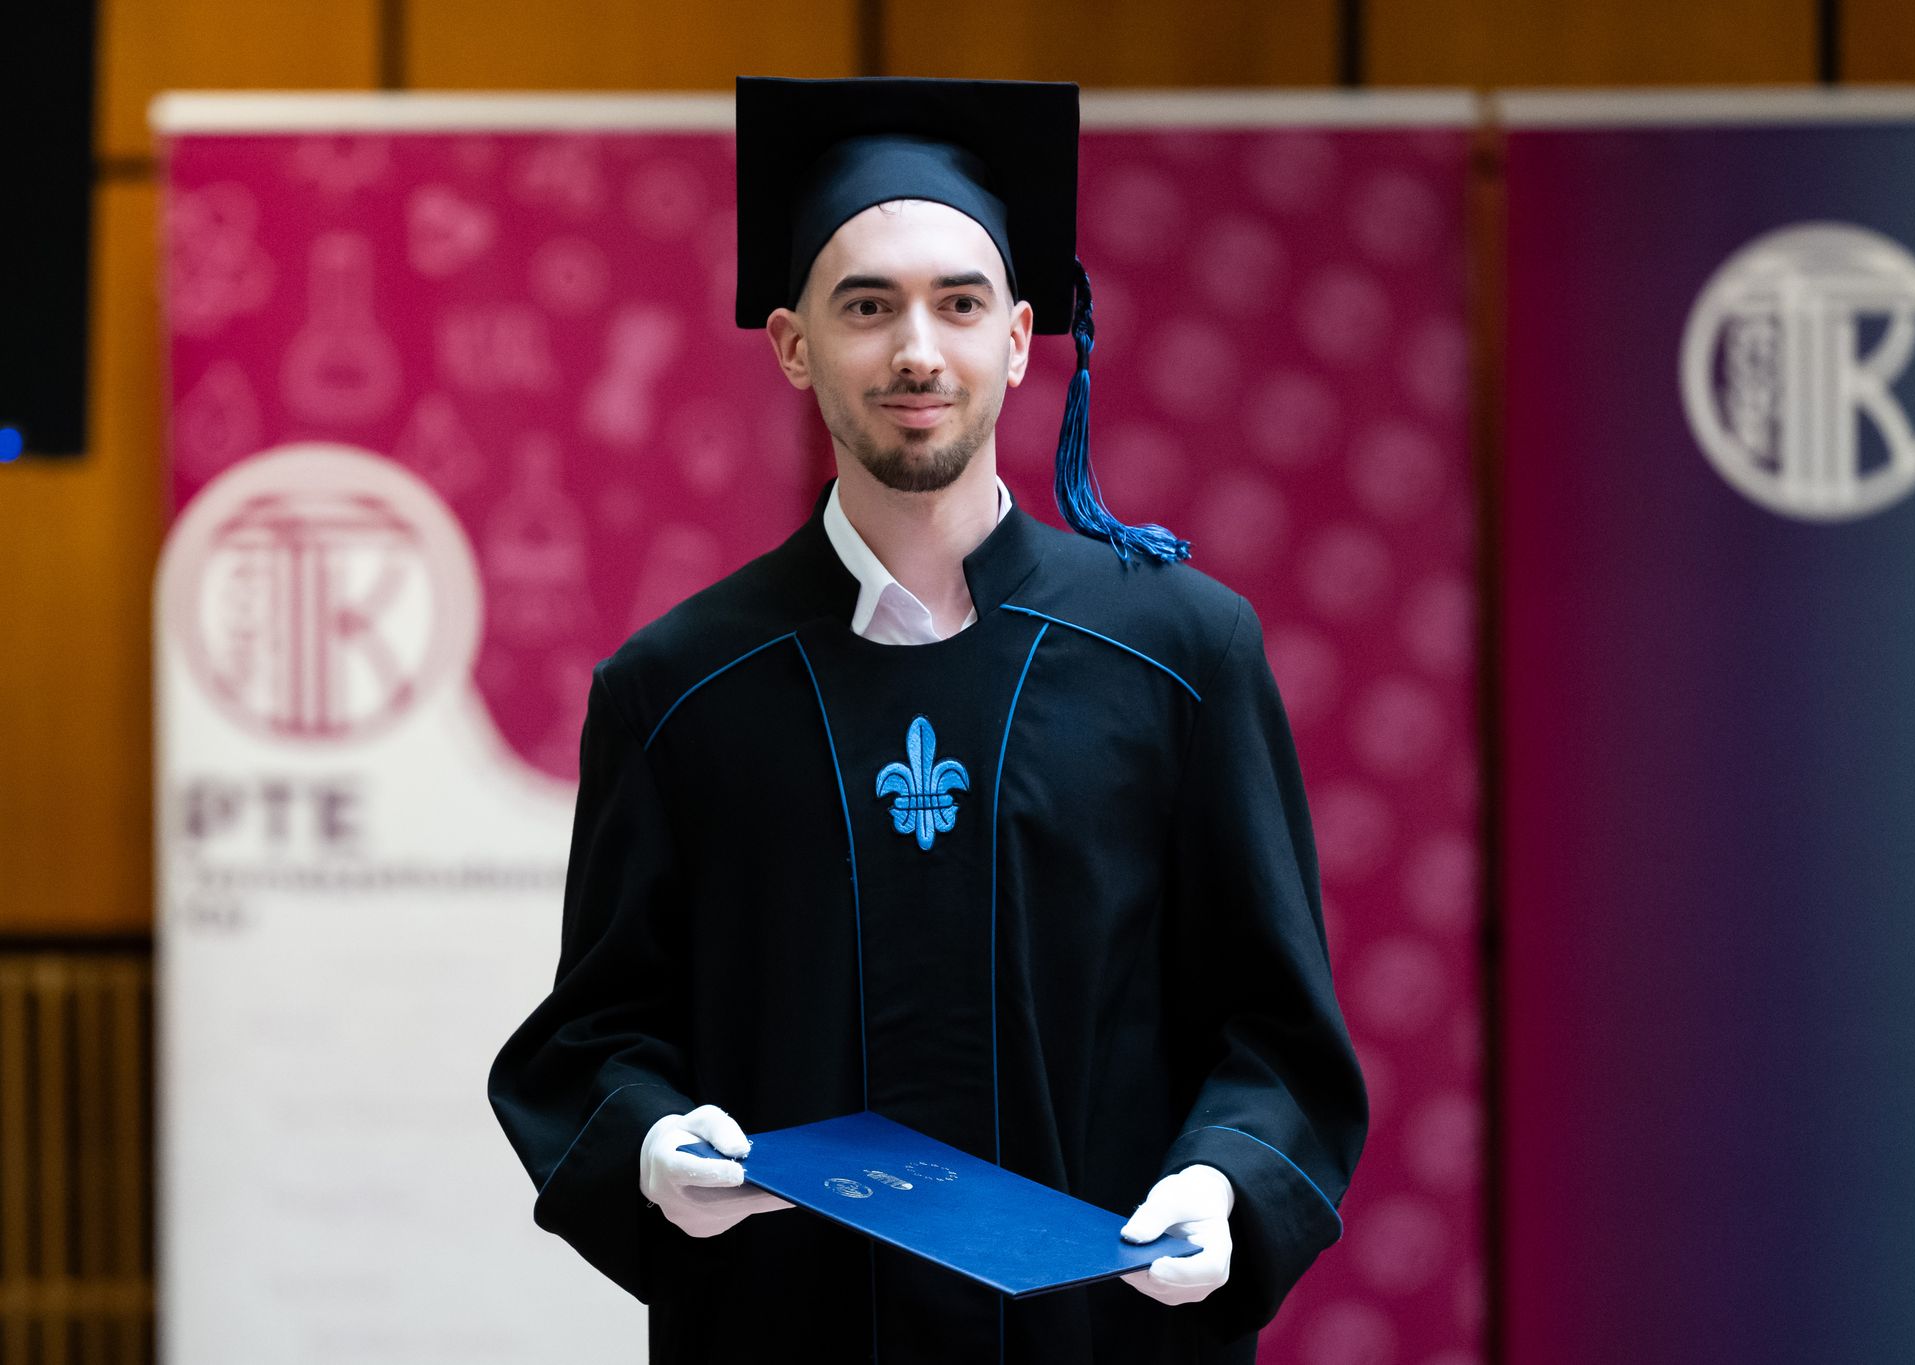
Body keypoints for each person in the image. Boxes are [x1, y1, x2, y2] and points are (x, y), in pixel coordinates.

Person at [488, 74, 1368, 1364]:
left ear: (1018, 338)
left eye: (959, 304)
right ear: (793, 344)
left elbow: (1275, 1030)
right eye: (867, 306)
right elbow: (596, 1040)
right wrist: (655, 1148)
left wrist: (1226, 1181)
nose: (918, 350)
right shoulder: (677, 691)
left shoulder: (1178, 657)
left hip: (1099, 1337)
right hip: (791, 1333)